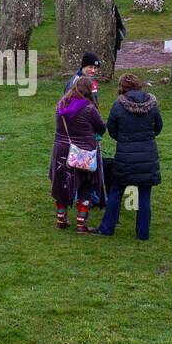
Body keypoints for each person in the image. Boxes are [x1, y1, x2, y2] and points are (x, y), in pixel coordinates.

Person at [94, 74, 162, 241]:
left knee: (116, 192)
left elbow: (112, 129)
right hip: (148, 155)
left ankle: (107, 228)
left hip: (125, 156)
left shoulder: (118, 105)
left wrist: (124, 139)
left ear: (122, 88)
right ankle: (142, 233)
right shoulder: (152, 104)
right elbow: (158, 126)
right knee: (144, 195)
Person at [50, 76, 106, 233]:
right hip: (84, 152)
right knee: (86, 184)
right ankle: (81, 224)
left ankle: (61, 219)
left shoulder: (61, 104)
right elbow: (101, 128)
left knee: (62, 184)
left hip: (62, 149)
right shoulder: (89, 108)